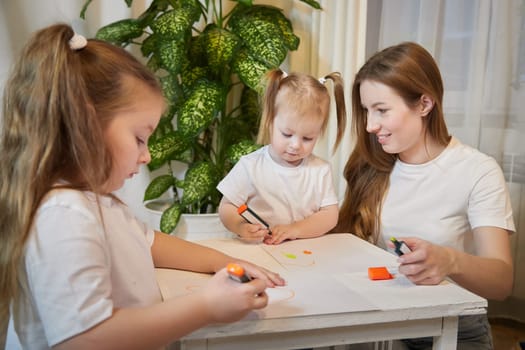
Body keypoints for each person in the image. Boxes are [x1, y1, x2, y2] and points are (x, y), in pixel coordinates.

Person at [0, 23, 285, 350]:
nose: (146, 155)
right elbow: (83, 340)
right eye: (139, 138)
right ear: (86, 125)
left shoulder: (94, 203)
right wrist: (206, 307)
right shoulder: (63, 215)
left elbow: (149, 244)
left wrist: (220, 262)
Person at [334, 42, 515, 349]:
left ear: (424, 104)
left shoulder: (478, 171)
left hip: (454, 329)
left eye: (381, 110)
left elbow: (501, 281)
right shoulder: (371, 165)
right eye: (366, 111)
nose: (369, 126)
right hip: (378, 321)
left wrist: (450, 261)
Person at [217, 69, 346, 245]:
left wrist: (295, 229)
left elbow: (329, 216)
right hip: (259, 251)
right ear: (270, 122)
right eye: (286, 134)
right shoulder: (250, 166)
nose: (296, 145)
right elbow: (227, 207)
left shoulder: (320, 170)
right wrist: (240, 226)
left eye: (308, 138)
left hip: (305, 253)